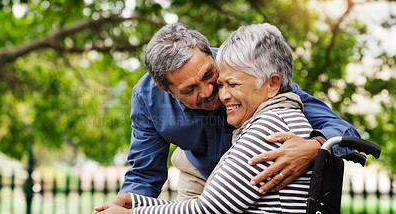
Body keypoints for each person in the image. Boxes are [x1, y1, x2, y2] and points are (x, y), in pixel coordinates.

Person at [93, 22, 325, 214]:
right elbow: (146, 172)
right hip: (201, 172)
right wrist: (134, 202)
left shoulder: (243, 68)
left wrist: (317, 147)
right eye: (189, 89)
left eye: (211, 76)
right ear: (166, 90)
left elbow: (209, 209)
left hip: (234, 177)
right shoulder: (148, 98)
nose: (211, 92)